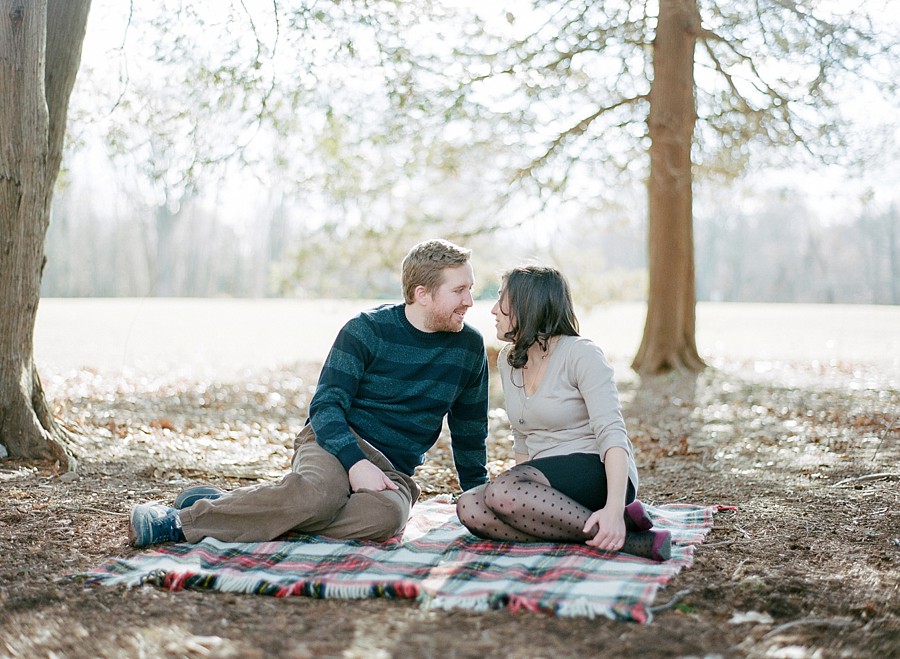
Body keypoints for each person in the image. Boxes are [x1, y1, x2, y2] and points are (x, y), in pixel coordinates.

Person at [129, 239, 489, 547]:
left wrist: (479, 497)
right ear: (421, 294)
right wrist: (355, 463)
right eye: (459, 290)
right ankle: (179, 522)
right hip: (334, 441)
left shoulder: (469, 347)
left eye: (470, 288)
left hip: (392, 468)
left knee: (387, 519)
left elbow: (469, 431)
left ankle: (237, 507)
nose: (470, 301)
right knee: (319, 495)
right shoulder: (366, 331)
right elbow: (327, 406)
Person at [456, 265, 671, 561]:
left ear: (527, 304)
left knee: (502, 491)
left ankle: (614, 517)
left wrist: (612, 506)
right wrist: (520, 499)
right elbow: (522, 437)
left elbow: (613, 435)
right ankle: (627, 538)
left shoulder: (581, 354)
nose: (493, 310)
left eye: (501, 298)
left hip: (598, 471)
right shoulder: (509, 360)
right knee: (470, 506)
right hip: (545, 482)